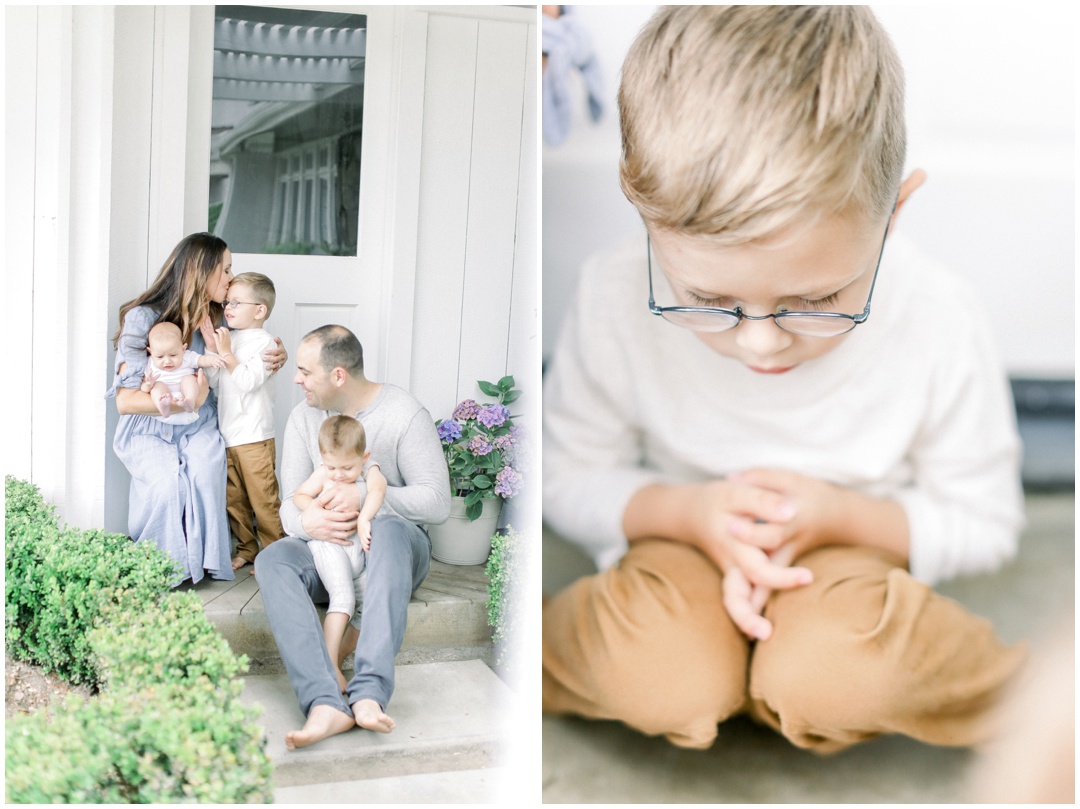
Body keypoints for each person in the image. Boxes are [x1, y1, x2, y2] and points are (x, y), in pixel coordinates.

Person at [542, 6, 1027, 754]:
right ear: (642, 211)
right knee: (658, 673)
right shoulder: (611, 294)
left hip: (851, 567)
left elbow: (986, 519)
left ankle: (1036, 699)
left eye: (817, 300)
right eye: (706, 301)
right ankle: (529, 658)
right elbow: (565, 475)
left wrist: (839, 517)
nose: (761, 341)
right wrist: (691, 512)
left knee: (838, 671)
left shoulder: (937, 317)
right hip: (680, 544)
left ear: (893, 213)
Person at [254, 324, 450, 750]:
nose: (296, 378)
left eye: (305, 371)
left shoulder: (403, 414)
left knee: (390, 529)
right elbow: (290, 503)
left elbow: (437, 502)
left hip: (392, 549)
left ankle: (369, 693)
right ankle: (324, 703)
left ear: (338, 375)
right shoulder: (303, 418)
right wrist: (309, 525)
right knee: (272, 559)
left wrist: (361, 495)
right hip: (326, 549)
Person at [107, 232, 286, 585]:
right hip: (149, 421)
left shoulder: (221, 317)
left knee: (205, 470)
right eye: (226, 270)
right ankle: (163, 567)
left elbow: (251, 348)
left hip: (200, 422)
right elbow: (126, 401)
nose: (231, 279)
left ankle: (202, 563)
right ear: (201, 272)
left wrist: (278, 354)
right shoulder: (142, 318)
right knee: (165, 482)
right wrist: (190, 401)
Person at [293, 415, 387, 693]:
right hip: (328, 544)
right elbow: (300, 496)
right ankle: (329, 664)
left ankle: (343, 651)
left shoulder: (370, 468)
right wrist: (313, 508)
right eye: (331, 466)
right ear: (323, 459)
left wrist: (364, 518)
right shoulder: (324, 473)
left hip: (355, 546)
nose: (338, 474)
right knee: (343, 597)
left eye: (347, 467)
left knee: (369, 600)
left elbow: (378, 489)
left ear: (364, 456)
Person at [206, 272, 286, 572]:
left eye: (236, 302)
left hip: (254, 436)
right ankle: (246, 548)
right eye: (227, 301)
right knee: (235, 500)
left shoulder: (266, 343)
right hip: (228, 435)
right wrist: (215, 353)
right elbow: (216, 381)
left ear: (259, 310)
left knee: (263, 499)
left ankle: (277, 553)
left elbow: (248, 381)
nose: (227, 307)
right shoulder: (232, 337)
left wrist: (226, 353)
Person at [142, 321, 225, 421]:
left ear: (183, 348)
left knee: (189, 379)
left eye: (173, 355)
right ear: (151, 352)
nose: (167, 361)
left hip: (187, 406)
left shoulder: (186, 356)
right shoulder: (150, 363)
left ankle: (189, 401)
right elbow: (144, 389)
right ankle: (163, 406)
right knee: (157, 386)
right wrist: (148, 384)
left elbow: (201, 360)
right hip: (165, 412)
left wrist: (213, 360)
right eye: (160, 357)